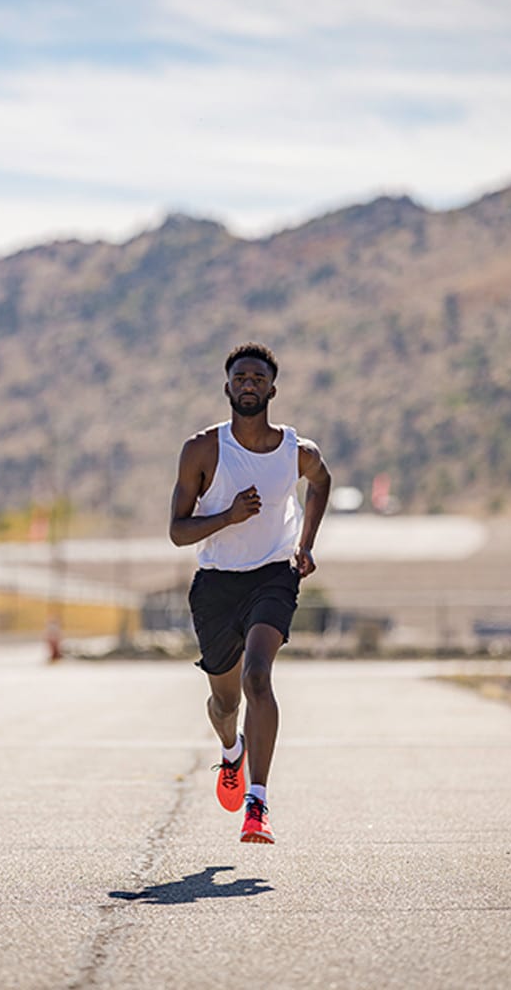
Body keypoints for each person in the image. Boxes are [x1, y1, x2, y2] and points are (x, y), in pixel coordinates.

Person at [169, 342, 331, 844]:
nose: (249, 384)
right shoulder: (202, 450)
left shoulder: (296, 452)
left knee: (258, 676)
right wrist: (228, 516)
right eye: (240, 377)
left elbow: (321, 482)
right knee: (224, 703)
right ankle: (231, 751)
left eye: (258, 378)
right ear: (227, 387)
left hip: (272, 576)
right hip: (216, 584)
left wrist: (304, 544)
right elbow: (178, 531)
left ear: (272, 389)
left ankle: (257, 804)